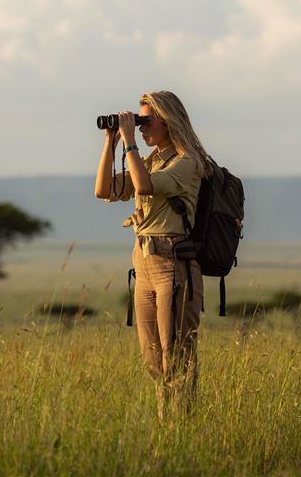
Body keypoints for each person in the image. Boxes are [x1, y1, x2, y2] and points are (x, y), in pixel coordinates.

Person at [94, 90, 210, 420]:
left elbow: (143, 187)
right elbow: (103, 189)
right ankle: (167, 429)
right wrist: (111, 142)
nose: (142, 128)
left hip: (173, 267)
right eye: (139, 122)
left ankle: (182, 429)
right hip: (143, 268)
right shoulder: (150, 161)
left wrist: (129, 139)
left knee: (176, 358)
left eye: (146, 122)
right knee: (154, 362)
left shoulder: (186, 163)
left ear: (167, 122)